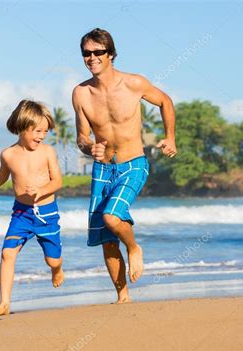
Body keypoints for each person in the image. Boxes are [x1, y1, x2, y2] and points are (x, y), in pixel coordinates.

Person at [72, 28, 177, 303]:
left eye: (98, 52)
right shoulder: (81, 93)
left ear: (111, 54)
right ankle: (123, 297)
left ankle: (134, 248)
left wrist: (170, 137)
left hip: (133, 164)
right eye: (86, 53)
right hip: (103, 170)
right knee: (107, 240)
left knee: (111, 216)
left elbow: (165, 101)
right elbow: (82, 136)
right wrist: (88, 147)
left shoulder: (133, 83)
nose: (91, 58)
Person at [0, 99, 64, 316]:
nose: (42, 136)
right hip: (21, 214)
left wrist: (42, 190)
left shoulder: (47, 152)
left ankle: (57, 269)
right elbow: (1, 177)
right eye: (37, 131)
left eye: (45, 132)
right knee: (7, 254)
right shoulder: (8, 154)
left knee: (52, 259)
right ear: (22, 127)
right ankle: (4, 302)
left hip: (46, 213)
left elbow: (57, 182)